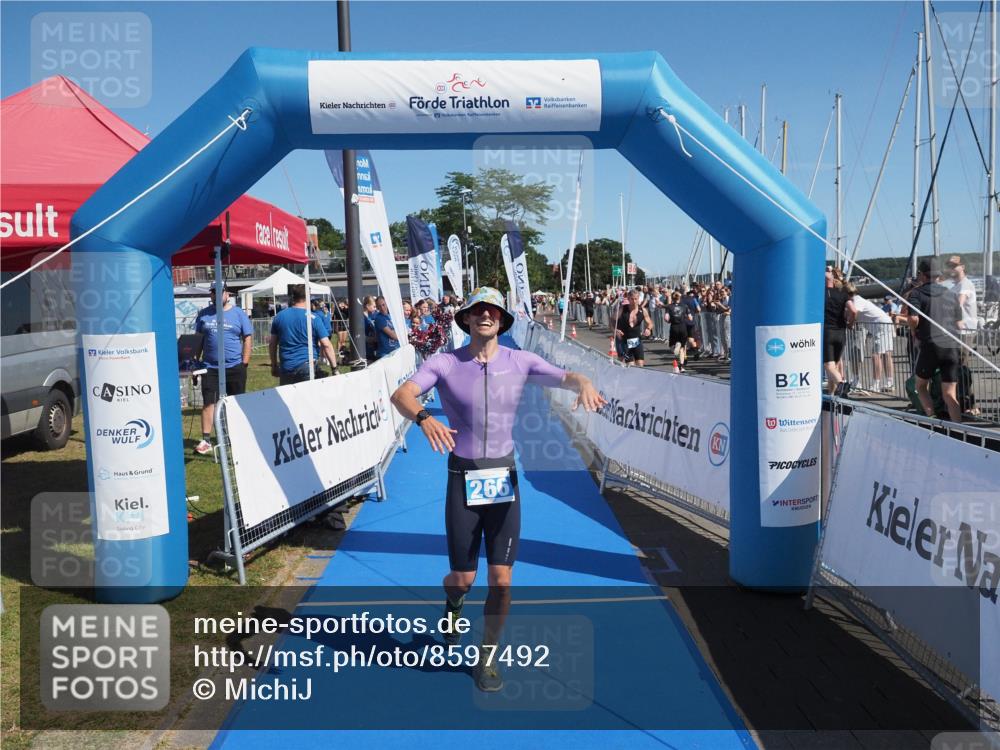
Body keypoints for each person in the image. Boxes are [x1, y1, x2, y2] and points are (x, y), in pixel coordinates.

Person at [389, 287, 605, 692]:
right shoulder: (445, 362)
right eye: (477, 310)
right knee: (463, 579)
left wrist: (584, 382)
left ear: (502, 320)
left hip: (503, 478)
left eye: (493, 310)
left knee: (502, 580)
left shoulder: (520, 361)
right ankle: (452, 603)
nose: (485, 314)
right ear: (467, 319)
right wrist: (423, 419)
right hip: (463, 478)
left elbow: (565, 375)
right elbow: (401, 394)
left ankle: (486, 656)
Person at [193, 286, 253, 455]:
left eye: (221, 291)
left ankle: (236, 438)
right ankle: (206, 439)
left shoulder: (238, 314)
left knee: (236, 403)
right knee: (208, 402)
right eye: (214, 292)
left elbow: (247, 337)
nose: (217, 295)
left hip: (234, 366)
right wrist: (195, 363)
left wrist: (245, 362)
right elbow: (198, 339)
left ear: (228, 294)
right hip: (210, 367)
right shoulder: (204, 314)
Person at [909, 259, 965, 422]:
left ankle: (932, 419)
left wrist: (914, 333)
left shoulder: (917, 293)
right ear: (939, 275)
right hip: (950, 346)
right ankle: (959, 429)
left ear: (922, 275)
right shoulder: (951, 294)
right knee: (949, 394)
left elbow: (913, 318)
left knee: (920, 386)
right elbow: (959, 323)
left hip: (930, 346)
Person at [269, 284, 338, 385]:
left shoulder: (279, 317)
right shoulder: (313, 318)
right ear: (308, 297)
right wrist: (334, 368)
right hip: (307, 366)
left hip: (287, 367)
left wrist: (274, 365)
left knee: (288, 399)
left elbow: (272, 344)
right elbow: (326, 344)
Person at [845, 283, 895, 392]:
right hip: (885, 323)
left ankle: (876, 385)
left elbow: (854, 313)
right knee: (887, 354)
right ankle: (890, 382)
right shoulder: (859, 299)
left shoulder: (856, 301)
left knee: (876, 355)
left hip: (880, 326)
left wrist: (849, 324)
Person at [824, 267, 856, 394]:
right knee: (835, 366)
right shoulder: (843, 295)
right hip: (841, 332)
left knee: (828, 366)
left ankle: (842, 384)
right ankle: (832, 395)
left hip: (828, 332)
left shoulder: (820, 294)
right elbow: (853, 310)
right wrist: (850, 324)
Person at [615, 288, 653, 366]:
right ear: (628, 298)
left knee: (640, 365)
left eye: (636, 299)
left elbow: (650, 323)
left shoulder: (643, 310)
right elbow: (612, 322)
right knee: (631, 366)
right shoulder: (622, 309)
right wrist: (615, 330)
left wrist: (648, 329)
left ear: (638, 299)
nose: (634, 301)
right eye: (632, 299)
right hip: (625, 341)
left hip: (636, 341)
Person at [944, 255, 978, 333]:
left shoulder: (965, 284)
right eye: (949, 266)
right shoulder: (955, 285)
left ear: (962, 267)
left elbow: (958, 305)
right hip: (958, 329)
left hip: (965, 329)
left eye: (954, 266)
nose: (951, 268)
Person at [664, 291, 692, 371]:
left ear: (672, 298)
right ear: (680, 298)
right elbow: (690, 318)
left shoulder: (669, 307)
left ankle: (676, 345)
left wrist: (669, 321)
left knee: (671, 347)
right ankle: (681, 367)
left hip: (674, 327)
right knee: (682, 349)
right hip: (683, 327)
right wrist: (686, 317)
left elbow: (666, 318)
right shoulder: (685, 306)